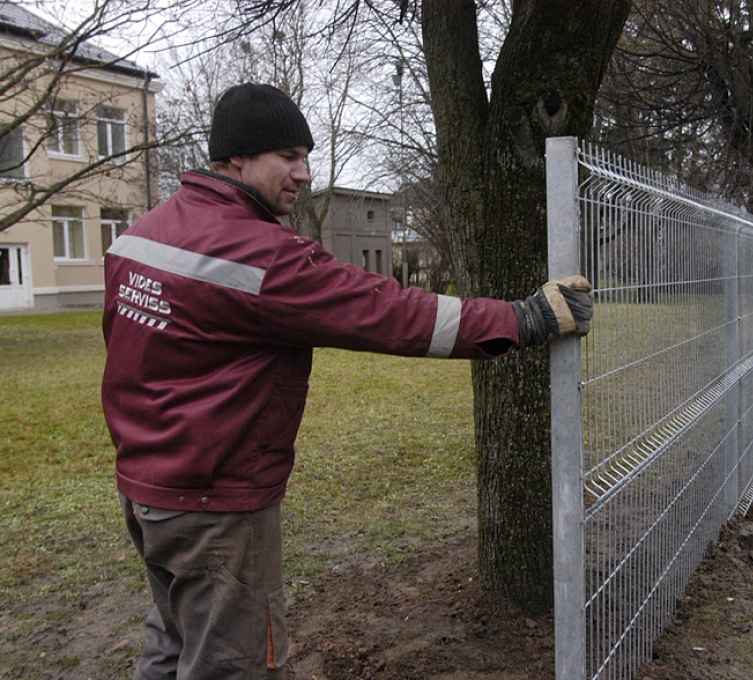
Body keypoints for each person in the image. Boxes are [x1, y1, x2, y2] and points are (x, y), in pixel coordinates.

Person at [101, 82, 592, 680]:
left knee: (172, 642)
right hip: (216, 506)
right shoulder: (260, 257)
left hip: (145, 491)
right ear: (236, 158)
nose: (304, 173)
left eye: (306, 157)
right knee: (231, 664)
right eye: (287, 156)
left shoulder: (138, 237)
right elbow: (390, 311)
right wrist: (522, 318)